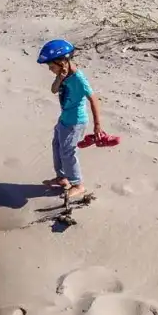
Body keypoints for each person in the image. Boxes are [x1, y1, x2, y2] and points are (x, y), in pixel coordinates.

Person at [37, 39, 101, 199]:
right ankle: (62, 178)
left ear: (63, 62)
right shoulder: (62, 74)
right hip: (64, 119)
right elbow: (53, 90)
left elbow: (93, 99)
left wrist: (97, 125)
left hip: (76, 122)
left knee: (68, 152)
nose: (51, 70)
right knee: (57, 146)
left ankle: (78, 184)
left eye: (52, 67)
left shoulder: (79, 79)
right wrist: (59, 78)